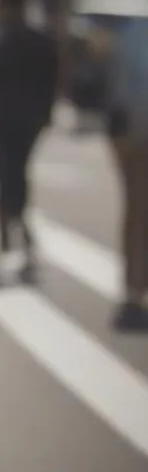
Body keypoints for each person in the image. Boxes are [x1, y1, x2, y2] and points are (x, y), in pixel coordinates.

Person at [0, 0, 58, 276]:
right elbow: (51, 77)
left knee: (7, 175)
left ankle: (10, 237)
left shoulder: (2, 38)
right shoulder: (37, 37)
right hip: (28, 117)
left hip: (6, 116)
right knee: (17, 175)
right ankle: (14, 236)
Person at [104, 16, 148, 331]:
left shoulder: (133, 35)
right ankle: (133, 288)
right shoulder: (133, 36)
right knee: (137, 213)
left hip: (135, 135)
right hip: (137, 136)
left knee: (137, 214)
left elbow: (118, 91)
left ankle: (133, 289)